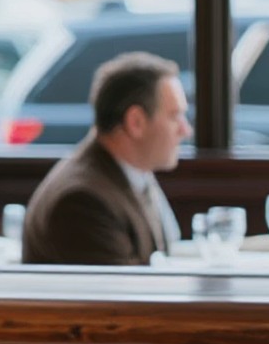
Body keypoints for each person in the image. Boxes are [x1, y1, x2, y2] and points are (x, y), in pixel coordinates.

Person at [22, 53, 189, 265]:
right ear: (135, 122)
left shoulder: (131, 171)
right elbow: (125, 295)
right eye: (175, 116)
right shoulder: (83, 201)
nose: (186, 130)